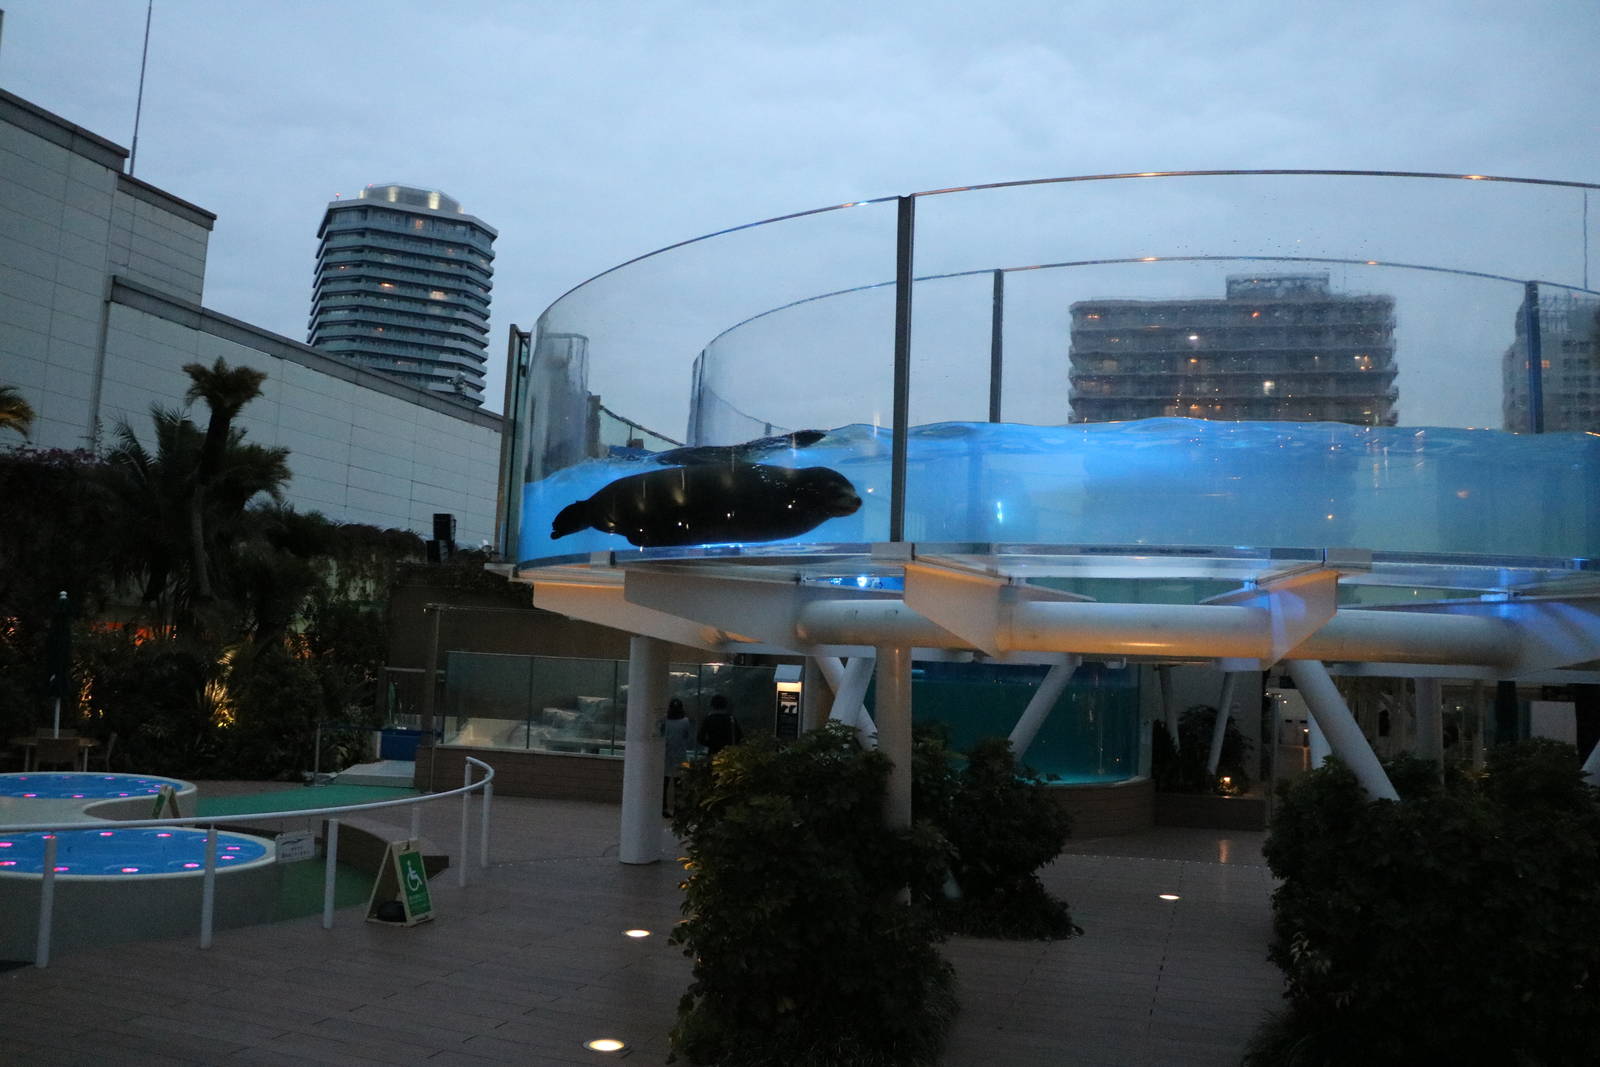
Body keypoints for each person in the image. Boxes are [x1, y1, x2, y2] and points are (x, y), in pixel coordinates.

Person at [661, 698, 694, 817]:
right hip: (682, 757)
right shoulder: (686, 721)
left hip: (665, 756)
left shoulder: (665, 720)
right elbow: (687, 737)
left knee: (664, 784)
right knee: (679, 784)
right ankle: (678, 809)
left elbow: (661, 735)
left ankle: (663, 808)